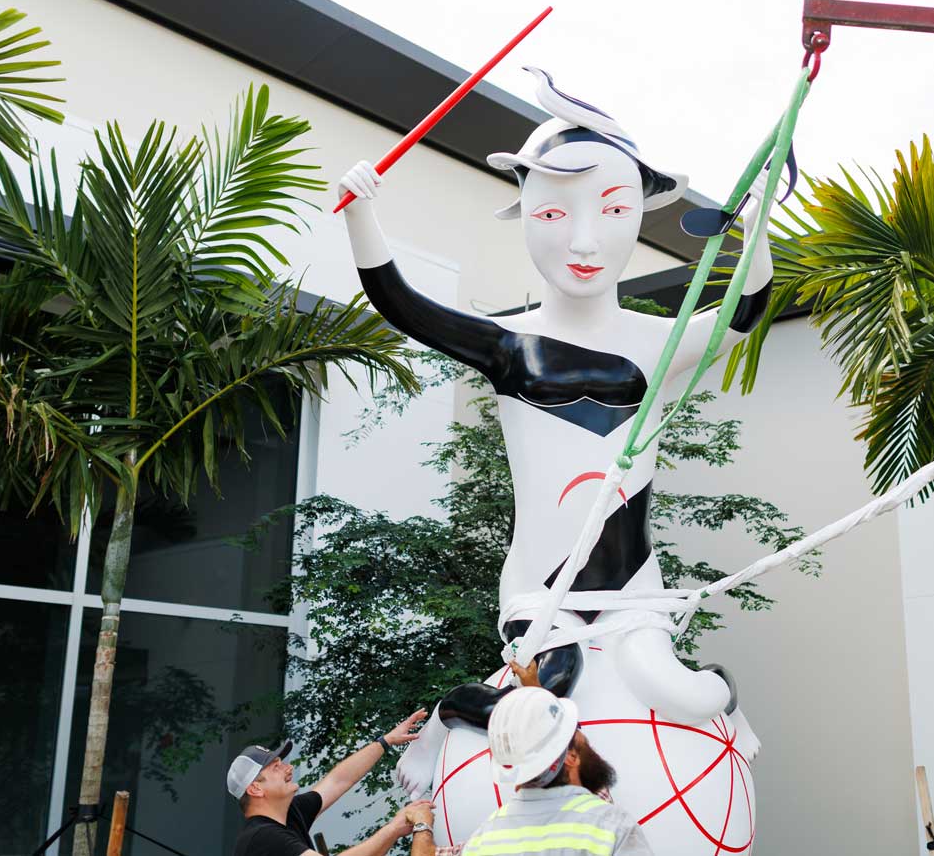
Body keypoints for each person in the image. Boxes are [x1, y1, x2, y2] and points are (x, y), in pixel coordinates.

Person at [336, 67, 774, 731]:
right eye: (552, 212)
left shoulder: (661, 342)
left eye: (615, 210)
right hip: (540, 592)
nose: (585, 241)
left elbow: (745, 309)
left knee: (695, 695)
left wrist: (759, 227)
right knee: (547, 698)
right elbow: (403, 304)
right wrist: (361, 213)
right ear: (526, 214)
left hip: (633, 589)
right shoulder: (508, 343)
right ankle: (452, 711)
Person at [459, 686, 652, 855]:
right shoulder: (610, 827)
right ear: (571, 756)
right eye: (575, 729)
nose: (585, 737)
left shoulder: (482, 839)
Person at [230, 710, 434, 856]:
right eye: (275, 767)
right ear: (255, 788)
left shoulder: (289, 814)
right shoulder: (262, 838)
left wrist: (386, 740)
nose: (288, 768)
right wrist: (394, 828)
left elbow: (339, 780)